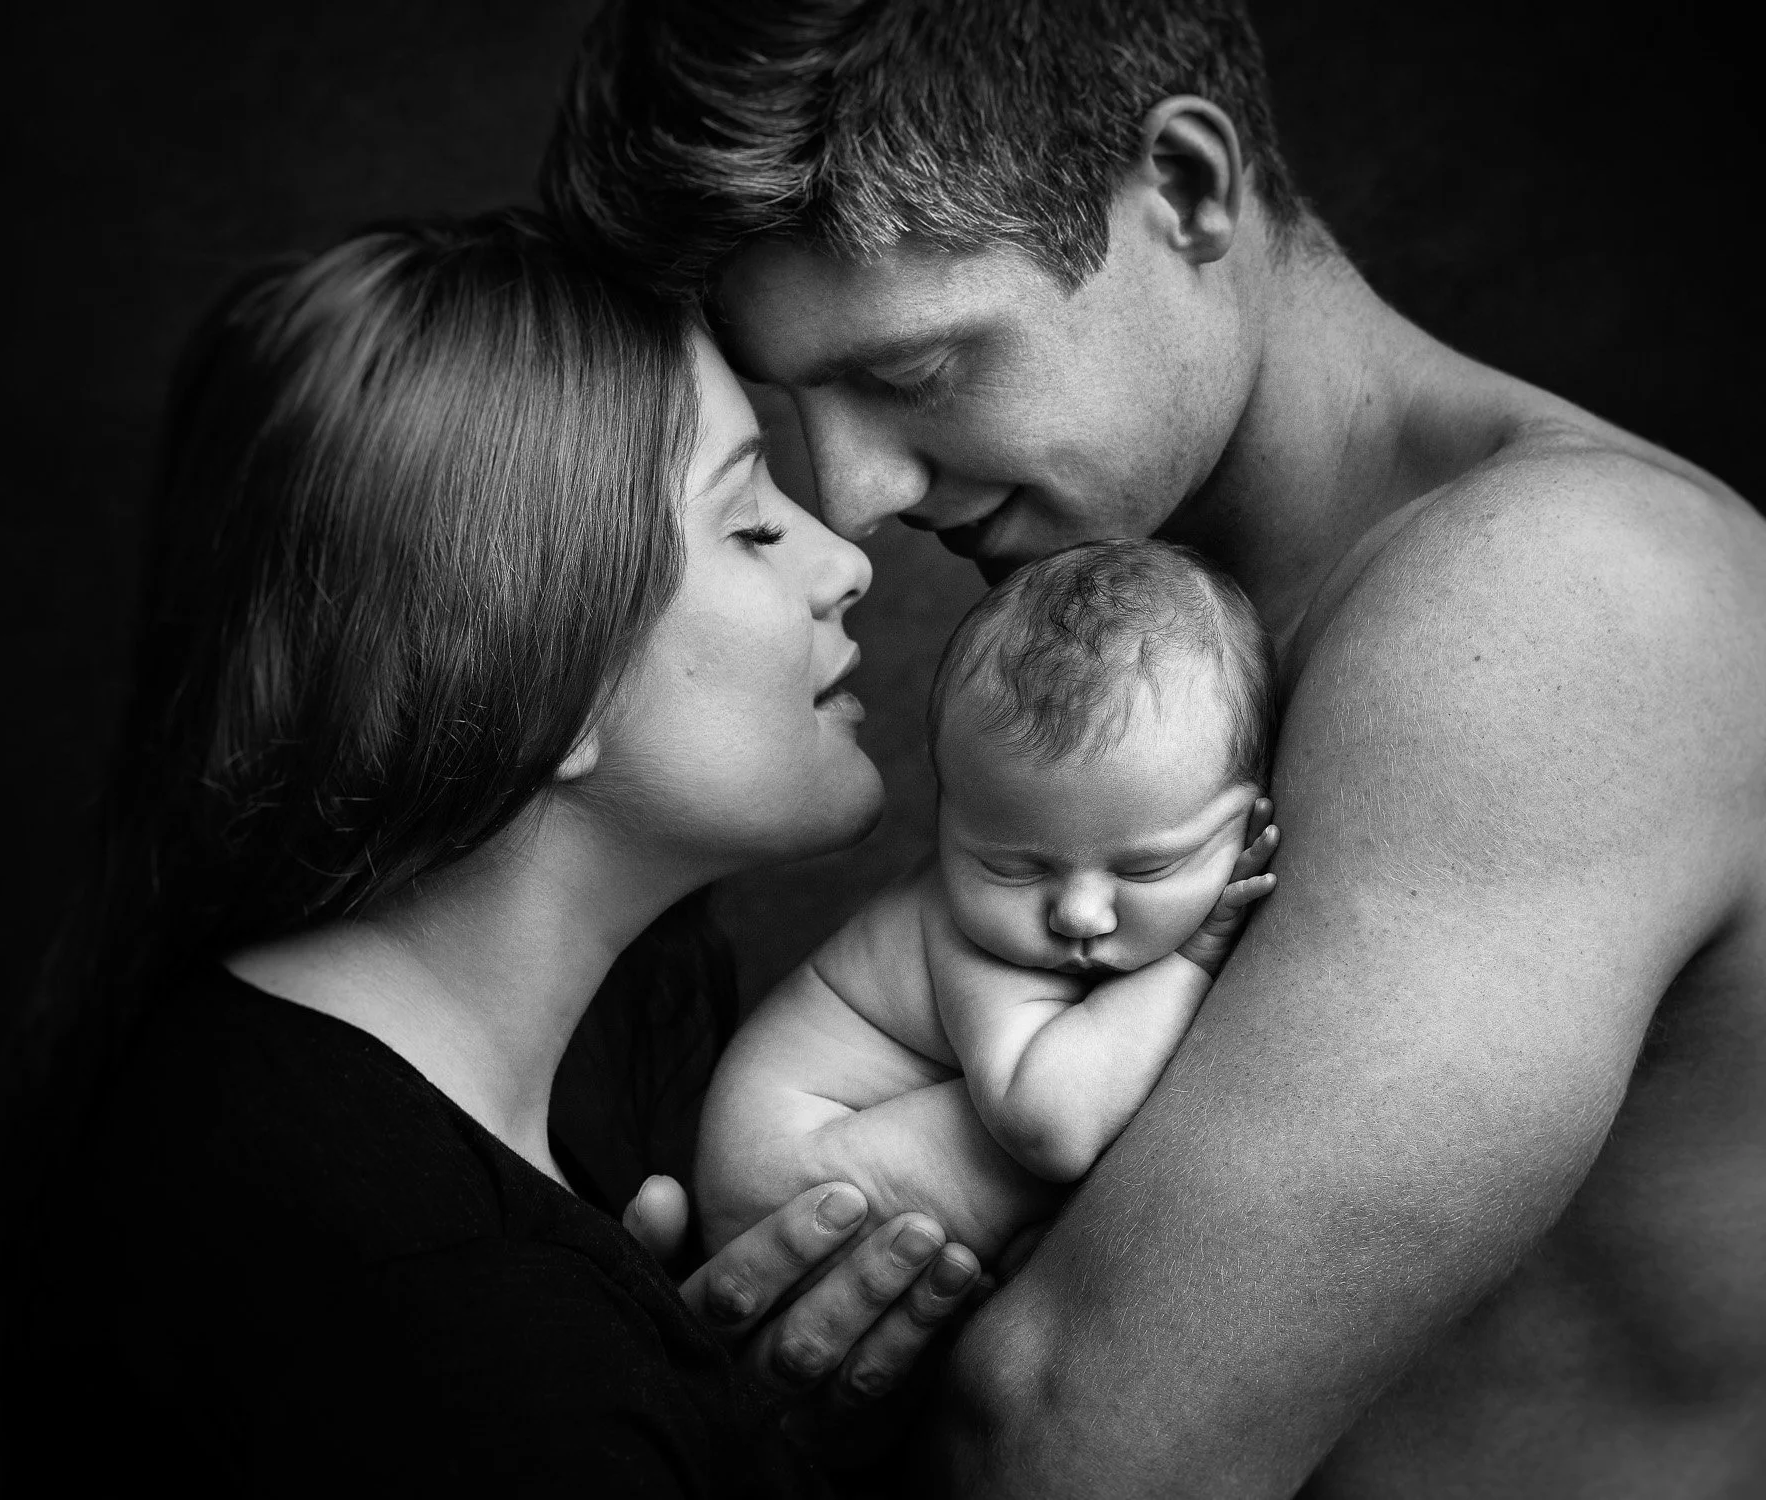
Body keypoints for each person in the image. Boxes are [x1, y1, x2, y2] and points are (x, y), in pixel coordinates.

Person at [542, 2, 1766, 1495]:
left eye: (917, 373)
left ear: (1185, 189)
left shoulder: (1562, 603)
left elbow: (1072, 1444)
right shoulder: (1116, 645)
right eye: (800, 406)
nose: (853, 499)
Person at [2, 211, 987, 1496]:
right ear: (537, 677)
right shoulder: (448, 1333)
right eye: (750, 525)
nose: (845, 560)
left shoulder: (619, 1036)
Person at [695, 541, 1279, 1261]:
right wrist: (1189, 959)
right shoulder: (964, 940)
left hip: (827, 1157)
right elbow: (1053, 1126)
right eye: (1014, 868)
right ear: (947, 820)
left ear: (1250, 818)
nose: (1079, 916)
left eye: (1149, 867)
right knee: (1087, 1138)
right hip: (792, 1175)